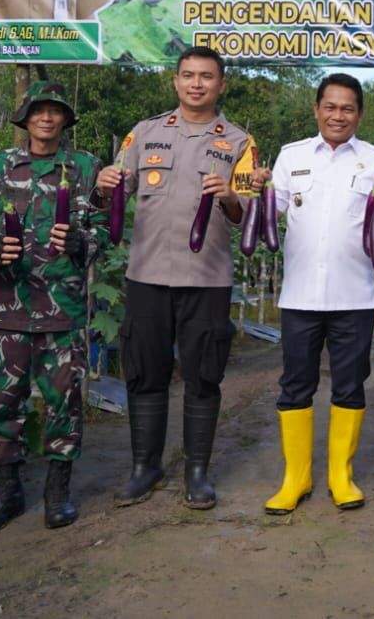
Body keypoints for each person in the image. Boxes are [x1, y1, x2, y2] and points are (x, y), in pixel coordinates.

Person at [96, 47, 258, 510]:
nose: (196, 84)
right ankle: (144, 467)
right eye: (188, 75)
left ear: (221, 84)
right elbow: (115, 193)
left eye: (206, 76)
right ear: (175, 81)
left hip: (206, 278)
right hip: (147, 274)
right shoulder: (145, 133)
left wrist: (230, 196)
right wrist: (104, 185)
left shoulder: (240, 142)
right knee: (145, 370)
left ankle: (197, 472)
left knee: (204, 374)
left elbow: (247, 215)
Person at [0, 81, 107, 533]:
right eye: (38, 110)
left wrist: (81, 242)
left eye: (55, 111)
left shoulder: (84, 167)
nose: (46, 118)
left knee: (63, 399)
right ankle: (6, 491)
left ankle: (57, 491)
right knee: (1, 401)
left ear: (65, 119)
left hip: (61, 307)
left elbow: (103, 228)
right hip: (7, 302)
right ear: (25, 118)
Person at [263, 74, 374, 515]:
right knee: (294, 385)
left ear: (360, 114)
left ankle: (342, 475)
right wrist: (255, 191)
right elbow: (269, 215)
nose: (338, 115)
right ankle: (296, 478)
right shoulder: (291, 156)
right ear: (316, 109)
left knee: (350, 384)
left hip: (354, 296)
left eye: (347, 108)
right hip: (299, 296)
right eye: (330, 106)